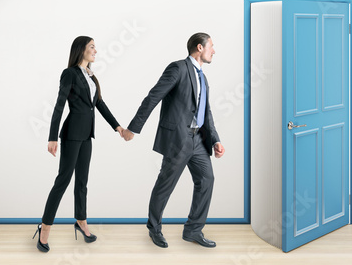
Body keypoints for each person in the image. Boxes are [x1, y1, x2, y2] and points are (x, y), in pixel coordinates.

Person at [122, 32, 225, 248]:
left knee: (207, 179)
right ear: (199, 47)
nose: (214, 51)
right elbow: (153, 96)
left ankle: (193, 231)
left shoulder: (203, 77)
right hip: (178, 139)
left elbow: (206, 112)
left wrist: (214, 139)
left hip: (198, 140)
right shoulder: (177, 68)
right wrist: (134, 127)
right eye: (211, 46)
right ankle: (154, 228)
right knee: (165, 184)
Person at [33, 36, 124, 252]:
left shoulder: (91, 76)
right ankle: (45, 227)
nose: (95, 51)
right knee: (63, 180)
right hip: (72, 133)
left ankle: (81, 221)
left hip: (87, 136)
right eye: (92, 47)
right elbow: (59, 105)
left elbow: (99, 104)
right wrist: (52, 136)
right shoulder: (70, 73)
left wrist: (118, 127)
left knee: (82, 181)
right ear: (80, 49)